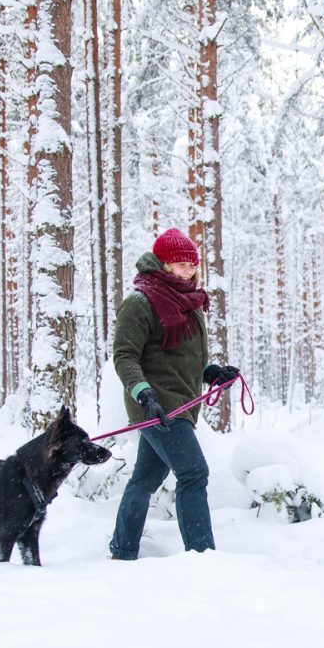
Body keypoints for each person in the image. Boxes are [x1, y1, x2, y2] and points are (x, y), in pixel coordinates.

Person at [107, 227, 240, 560]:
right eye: (180, 265)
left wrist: (212, 373)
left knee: (145, 480)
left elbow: (183, 360)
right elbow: (125, 355)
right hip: (155, 406)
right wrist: (144, 394)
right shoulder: (140, 302)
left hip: (179, 405)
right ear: (163, 264)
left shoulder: (189, 304)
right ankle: (201, 555)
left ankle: (122, 550)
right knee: (194, 472)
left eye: (192, 264)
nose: (188, 270)